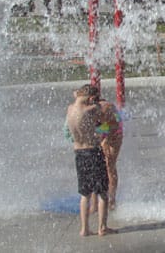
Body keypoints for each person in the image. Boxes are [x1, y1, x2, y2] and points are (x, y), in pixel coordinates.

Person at [65, 84, 115, 237]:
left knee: (85, 194)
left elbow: (78, 97)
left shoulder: (70, 109)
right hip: (93, 151)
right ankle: (102, 227)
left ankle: (84, 229)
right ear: (92, 99)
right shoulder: (91, 110)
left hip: (78, 153)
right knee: (102, 193)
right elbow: (104, 120)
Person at [92, 92, 123, 210]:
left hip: (115, 134)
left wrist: (101, 132)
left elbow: (117, 124)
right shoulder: (90, 109)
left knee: (110, 166)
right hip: (103, 133)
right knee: (97, 167)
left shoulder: (107, 107)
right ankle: (95, 203)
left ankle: (112, 200)